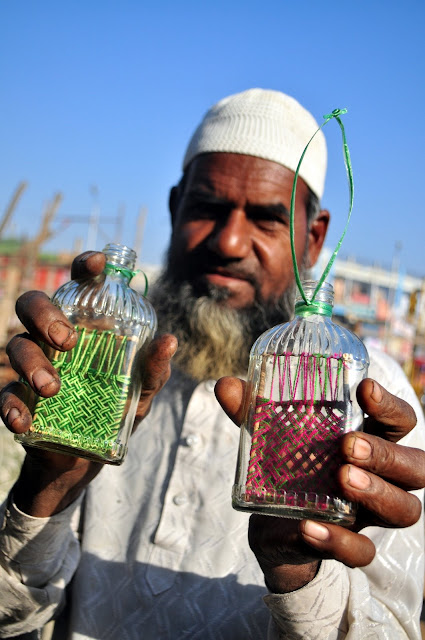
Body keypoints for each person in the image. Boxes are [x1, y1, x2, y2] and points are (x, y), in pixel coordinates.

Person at [0, 88, 424, 640]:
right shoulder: (107, 353)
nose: (228, 242)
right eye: (208, 209)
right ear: (176, 207)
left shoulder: (364, 389)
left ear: (314, 237)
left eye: (267, 219)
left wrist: (300, 575)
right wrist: (46, 489)